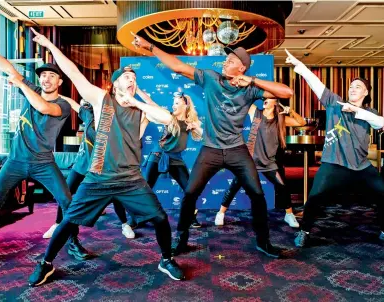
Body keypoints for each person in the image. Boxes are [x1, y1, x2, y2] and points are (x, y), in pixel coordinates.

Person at [28, 28, 184, 287]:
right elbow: (73, 73)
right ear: (116, 83)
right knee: (68, 221)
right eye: (126, 76)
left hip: (130, 179)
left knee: (159, 218)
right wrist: (48, 44)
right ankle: (45, 264)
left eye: (134, 77)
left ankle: (166, 259)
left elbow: (169, 119)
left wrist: (137, 102)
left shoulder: (142, 112)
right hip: (98, 177)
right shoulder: (102, 100)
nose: (131, 79)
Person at [132, 33, 294, 258]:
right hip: (211, 149)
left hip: (237, 150)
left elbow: (287, 92)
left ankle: (263, 241)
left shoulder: (250, 89)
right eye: (226, 60)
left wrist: (253, 81)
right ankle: (181, 237)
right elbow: (178, 67)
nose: (226, 62)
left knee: (257, 195)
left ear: (242, 68)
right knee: (190, 194)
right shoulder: (210, 78)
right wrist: (150, 46)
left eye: (231, 61)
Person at [0, 38, 87, 268]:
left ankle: (73, 242)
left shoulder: (63, 106)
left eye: (51, 75)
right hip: (15, 161)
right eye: (43, 75)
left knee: (68, 202)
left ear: (60, 81)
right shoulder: (32, 89)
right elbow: (7, 66)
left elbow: (44, 107)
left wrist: (20, 84)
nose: (46, 78)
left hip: (44, 163)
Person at [284, 49, 384, 247]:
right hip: (334, 163)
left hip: (361, 166)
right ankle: (304, 231)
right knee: (315, 198)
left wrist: (356, 110)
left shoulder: (370, 113)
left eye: (358, 87)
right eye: (351, 86)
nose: (353, 89)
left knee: (381, 194)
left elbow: (380, 122)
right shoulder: (334, 103)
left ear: (365, 92)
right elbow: (315, 83)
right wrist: (299, 66)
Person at [42, 97, 135, 240]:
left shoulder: (113, 120)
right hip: (82, 164)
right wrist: (60, 96)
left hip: (104, 167)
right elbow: (75, 104)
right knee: (65, 192)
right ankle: (57, 224)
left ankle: (124, 224)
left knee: (115, 195)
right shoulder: (88, 114)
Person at [215, 99, 305, 228]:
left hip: (269, 163)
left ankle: (289, 215)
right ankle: (221, 213)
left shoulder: (280, 120)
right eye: (265, 98)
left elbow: (300, 122)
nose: (265, 100)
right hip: (249, 161)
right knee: (235, 185)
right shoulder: (256, 113)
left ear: (276, 103)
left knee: (283, 187)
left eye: (269, 98)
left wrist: (291, 111)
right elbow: (245, 98)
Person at [137, 89, 203, 228]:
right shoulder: (168, 116)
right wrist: (137, 90)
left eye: (177, 103)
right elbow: (151, 103)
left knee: (189, 189)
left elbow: (201, 135)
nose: (173, 105)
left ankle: (191, 217)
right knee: (146, 187)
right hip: (158, 155)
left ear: (186, 105)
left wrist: (195, 127)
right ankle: (137, 218)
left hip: (176, 159)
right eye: (173, 102)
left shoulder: (190, 122)